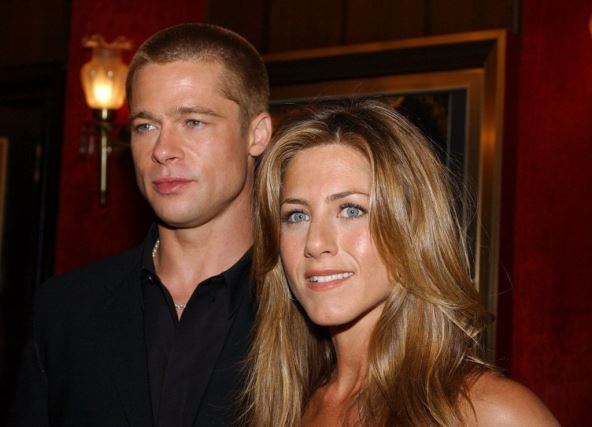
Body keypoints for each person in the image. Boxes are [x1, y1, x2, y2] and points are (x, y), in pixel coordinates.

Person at [11, 23, 271, 426]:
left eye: (193, 122)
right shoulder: (65, 310)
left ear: (257, 134)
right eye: (145, 126)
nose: (162, 150)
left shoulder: (309, 311)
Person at [243, 100, 558, 426]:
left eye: (351, 210)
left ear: (411, 229)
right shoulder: (285, 407)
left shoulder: (490, 412)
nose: (316, 243)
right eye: (296, 215)